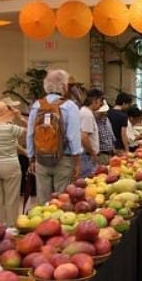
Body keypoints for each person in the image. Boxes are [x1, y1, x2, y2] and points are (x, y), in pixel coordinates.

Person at [26, 69, 82, 203]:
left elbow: (30, 134)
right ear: (64, 86)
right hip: (63, 159)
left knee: (43, 202)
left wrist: (31, 159)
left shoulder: (37, 106)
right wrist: (77, 163)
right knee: (61, 201)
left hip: (41, 159)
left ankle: (43, 223)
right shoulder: (69, 106)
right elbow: (73, 137)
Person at [0, 100, 25, 226]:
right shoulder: (11, 128)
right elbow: (31, 131)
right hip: (11, 166)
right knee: (12, 199)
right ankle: (11, 227)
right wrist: (20, 118)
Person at [79, 89, 104, 177]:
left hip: (87, 155)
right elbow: (84, 137)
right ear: (95, 100)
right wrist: (93, 154)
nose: (101, 104)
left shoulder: (86, 112)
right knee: (88, 181)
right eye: (100, 101)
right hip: (87, 156)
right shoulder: (87, 114)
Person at [95, 99, 115, 166]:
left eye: (105, 111)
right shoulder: (94, 122)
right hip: (101, 155)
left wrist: (113, 148)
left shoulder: (107, 120)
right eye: (102, 112)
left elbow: (111, 135)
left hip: (109, 154)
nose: (105, 113)